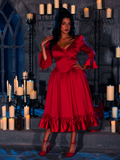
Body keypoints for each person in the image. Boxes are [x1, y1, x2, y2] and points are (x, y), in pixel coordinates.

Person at [38, 7, 99, 157]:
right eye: (64, 23)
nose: (67, 27)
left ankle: (73, 143)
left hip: (74, 78)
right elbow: (46, 63)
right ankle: (45, 142)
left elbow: (91, 52)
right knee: (54, 110)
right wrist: (42, 46)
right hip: (58, 79)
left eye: (69, 24)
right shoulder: (52, 42)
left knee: (73, 110)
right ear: (59, 25)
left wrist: (84, 66)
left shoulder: (77, 40)